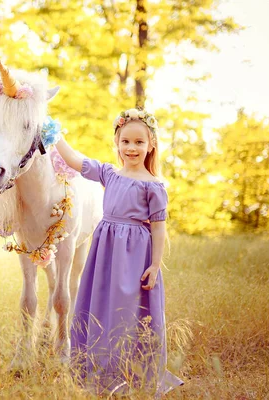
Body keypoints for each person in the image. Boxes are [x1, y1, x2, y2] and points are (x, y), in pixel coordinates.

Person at [53, 108, 183, 396]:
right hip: (105, 250)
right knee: (99, 303)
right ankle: (96, 367)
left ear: (151, 145)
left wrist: (155, 263)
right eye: (126, 141)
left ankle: (129, 370)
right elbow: (75, 160)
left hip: (135, 254)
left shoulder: (155, 185)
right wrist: (54, 134)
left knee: (127, 310)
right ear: (117, 143)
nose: (132, 148)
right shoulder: (109, 174)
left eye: (139, 142)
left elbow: (159, 228)